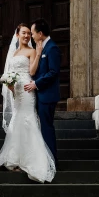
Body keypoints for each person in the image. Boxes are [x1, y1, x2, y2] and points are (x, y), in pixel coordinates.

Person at [0, 23, 56, 183]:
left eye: (29, 33)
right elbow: (9, 72)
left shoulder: (32, 50)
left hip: (28, 89)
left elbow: (33, 71)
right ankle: (16, 158)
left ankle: (32, 160)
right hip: (16, 91)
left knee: (28, 119)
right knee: (18, 120)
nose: (27, 35)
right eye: (24, 33)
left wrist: (39, 53)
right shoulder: (14, 53)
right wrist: (9, 85)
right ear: (17, 35)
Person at [24, 18, 61, 167]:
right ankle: (47, 159)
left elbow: (53, 72)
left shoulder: (52, 48)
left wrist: (36, 84)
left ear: (40, 33)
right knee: (43, 127)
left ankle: (52, 161)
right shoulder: (43, 48)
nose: (31, 36)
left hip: (48, 96)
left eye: (33, 33)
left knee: (46, 127)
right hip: (42, 95)